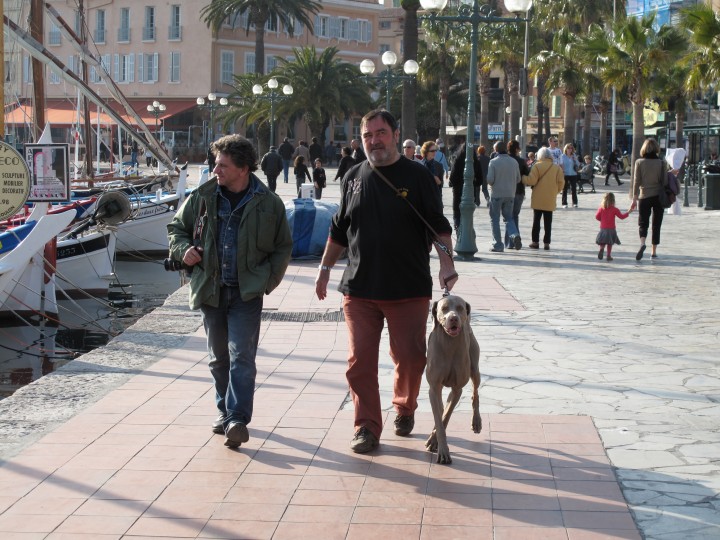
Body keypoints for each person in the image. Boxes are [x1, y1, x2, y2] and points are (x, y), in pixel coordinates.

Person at [314, 109, 456, 454]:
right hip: (359, 288)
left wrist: (446, 265)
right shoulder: (352, 176)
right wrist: (324, 269)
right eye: (367, 136)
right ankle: (365, 426)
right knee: (359, 361)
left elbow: (438, 224)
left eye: (380, 133)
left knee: (409, 357)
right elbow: (339, 228)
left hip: (408, 288)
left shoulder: (418, 176)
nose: (374, 141)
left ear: (394, 134)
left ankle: (404, 406)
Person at [167, 134, 292, 448]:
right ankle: (224, 410)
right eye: (216, 164)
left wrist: (267, 281)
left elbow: (283, 247)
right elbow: (176, 229)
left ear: (243, 168)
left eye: (222, 165)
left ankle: (237, 418)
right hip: (211, 290)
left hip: (246, 294)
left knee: (242, 357)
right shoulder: (203, 196)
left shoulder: (269, 203)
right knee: (218, 359)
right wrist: (184, 250)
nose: (216, 170)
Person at [630, 138, 667, 260]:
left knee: (643, 222)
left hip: (644, 196)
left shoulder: (639, 162)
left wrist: (634, 199)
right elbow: (665, 181)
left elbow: (636, 181)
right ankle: (653, 252)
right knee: (656, 224)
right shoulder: (661, 163)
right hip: (658, 197)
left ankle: (642, 243)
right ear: (656, 148)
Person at [522, 146, 565, 250]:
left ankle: (535, 242)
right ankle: (546, 243)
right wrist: (555, 191)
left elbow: (531, 181)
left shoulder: (537, 166)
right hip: (550, 198)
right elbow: (561, 183)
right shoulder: (557, 168)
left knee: (536, 221)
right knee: (548, 222)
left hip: (538, 197)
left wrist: (523, 177)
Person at [486, 141, 522, 252]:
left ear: (496, 150)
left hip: (497, 194)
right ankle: (514, 234)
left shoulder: (493, 162)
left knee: (495, 219)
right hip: (510, 194)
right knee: (508, 218)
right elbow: (518, 179)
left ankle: (498, 245)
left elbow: (490, 180)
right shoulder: (514, 162)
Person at [449, 144, 483, 230]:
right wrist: (473, 184)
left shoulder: (457, 160)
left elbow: (452, 178)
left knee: (457, 214)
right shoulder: (476, 161)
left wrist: (456, 185)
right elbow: (480, 180)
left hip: (458, 192)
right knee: (468, 216)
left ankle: (458, 231)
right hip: (470, 193)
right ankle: (466, 232)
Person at [596, 192, 633, 262]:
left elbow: (597, 217)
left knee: (602, 242)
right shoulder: (615, 209)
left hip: (603, 228)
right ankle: (608, 255)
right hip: (611, 229)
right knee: (610, 242)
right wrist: (628, 212)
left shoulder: (601, 209)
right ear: (613, 200)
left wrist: (602, 220)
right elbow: (621, 217)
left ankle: (601, 249)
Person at [506, 140, 529, 249]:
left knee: (508, 217)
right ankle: (515, 239)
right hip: (519, 191)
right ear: (516, 149)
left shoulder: (505, 159)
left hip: (507, 191)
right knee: (514, 216)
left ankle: (510, 242)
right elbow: (527, 174)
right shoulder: (521, 161)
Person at [561, 143, 582, 208]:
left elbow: (578, 164)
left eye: (571, 148)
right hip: (565, 174)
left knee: (574, 189)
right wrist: (562, 171)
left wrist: (575, 160)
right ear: (566, 149)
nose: (570, 149)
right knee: (564, 189)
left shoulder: (574, 155)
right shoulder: (562, 156)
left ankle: (575, 203)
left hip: (573, 174)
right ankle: (564, 203)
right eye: (568, 148)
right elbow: (561, 164)